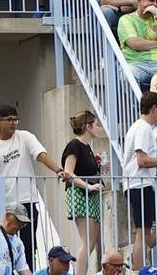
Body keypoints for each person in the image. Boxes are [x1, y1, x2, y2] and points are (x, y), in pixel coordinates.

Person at [0, 105, 69, 265]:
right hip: (3, 204)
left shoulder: (25, 137)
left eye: (15, 119)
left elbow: (40, 155)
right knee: (2, 245)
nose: (13, 123)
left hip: (27, 201)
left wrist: (58, 170)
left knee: (28, 246)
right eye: (9, 119)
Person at [121, 92, 157, 271]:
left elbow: (143, 161)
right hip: (139, 185)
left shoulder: (140, 127)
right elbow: (142, 161)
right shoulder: (143, 128)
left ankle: (143, 248)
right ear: (154, 108)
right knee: (141, 233)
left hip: (144, 184)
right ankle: (138, 268)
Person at [59, 112, 105, 275]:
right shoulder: (74, 145)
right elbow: (68, 173)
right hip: (79, 194)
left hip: (89, 194)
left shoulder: (86, 147)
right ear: (88, 126)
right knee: (88, 240)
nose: (98, 128)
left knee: (91, 240)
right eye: (96, 124)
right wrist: (88, 187)